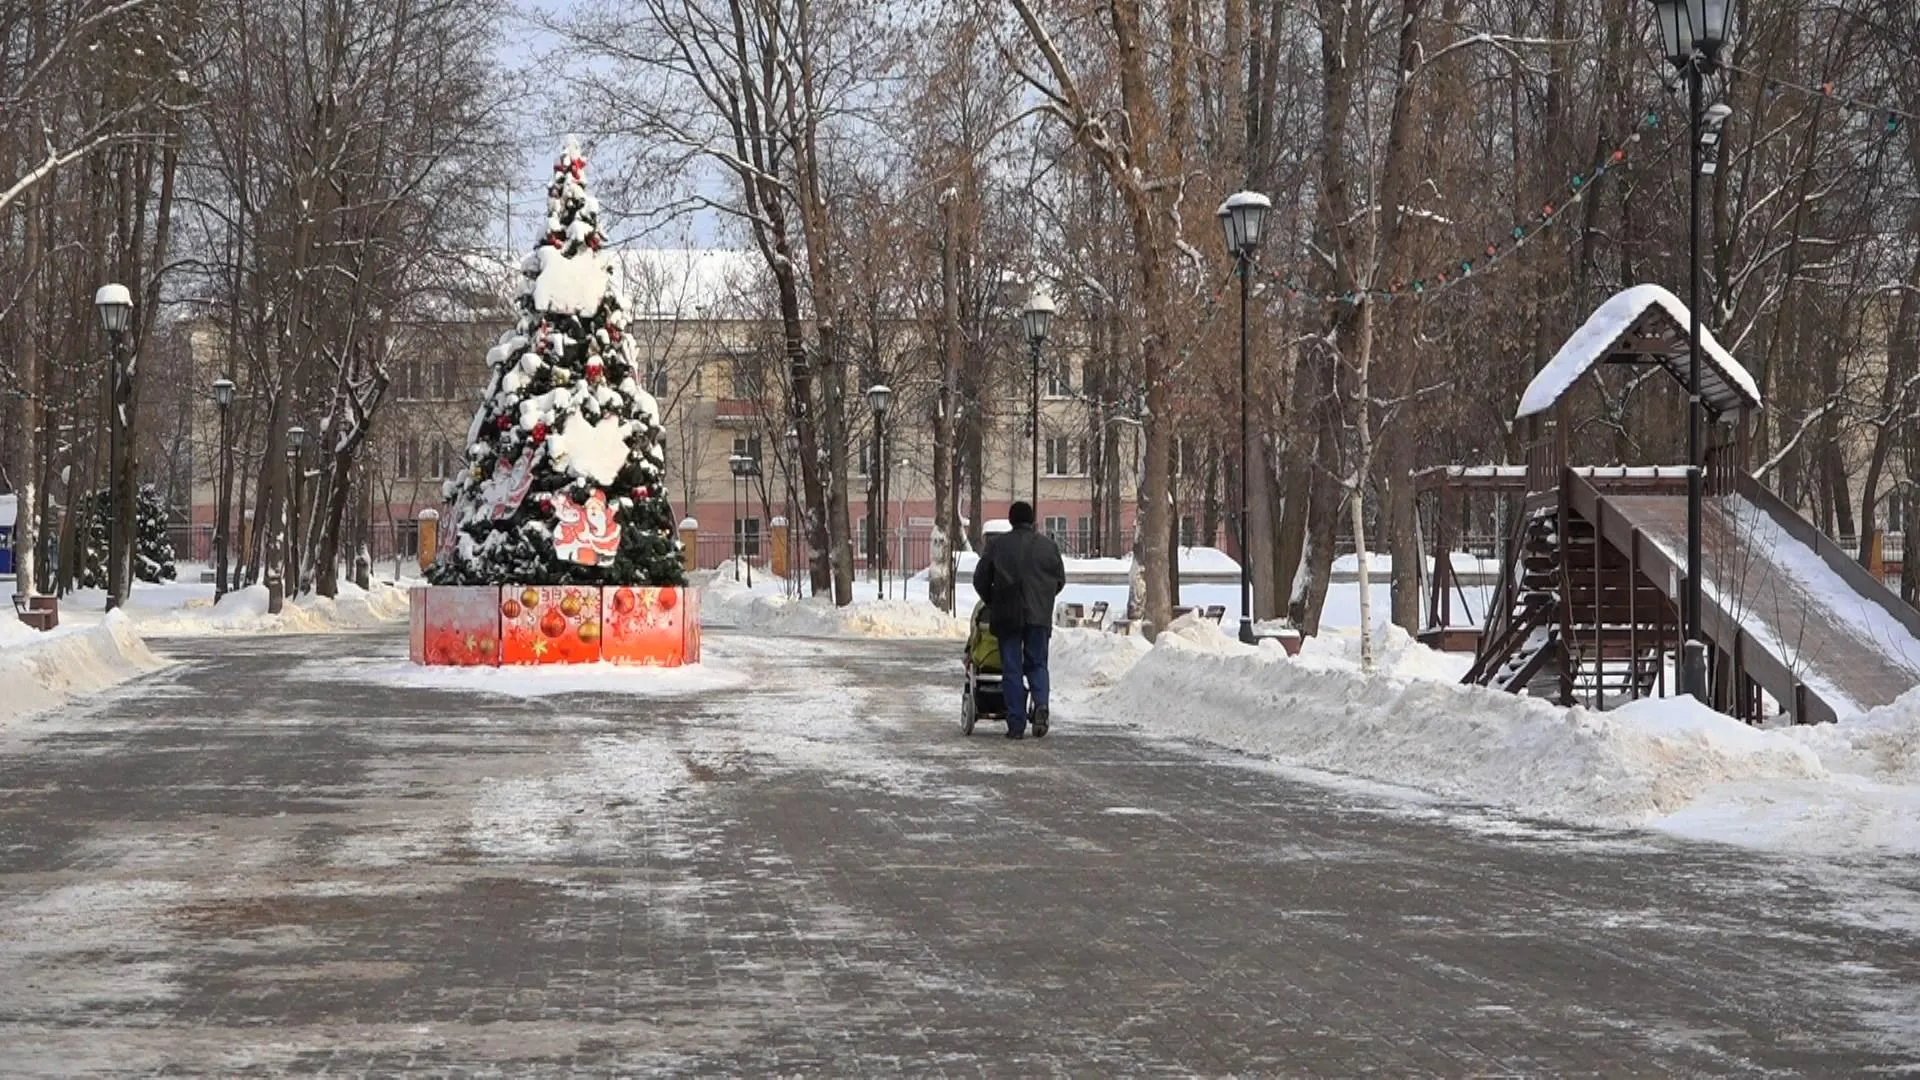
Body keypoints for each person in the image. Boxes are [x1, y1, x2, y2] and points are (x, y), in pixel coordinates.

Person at [971, 501, 1066, 739]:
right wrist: (1043, 598)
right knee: (1037, 664)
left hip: (1007, 616)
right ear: (1033, 521)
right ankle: (1041, 704)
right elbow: (1059, 581)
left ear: (1011, 521)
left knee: (1012, 668)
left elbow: (980, 579)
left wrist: (993, 600)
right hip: (1039, 616)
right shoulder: (1049, 547)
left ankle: (1016, 723)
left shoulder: (998, 546)